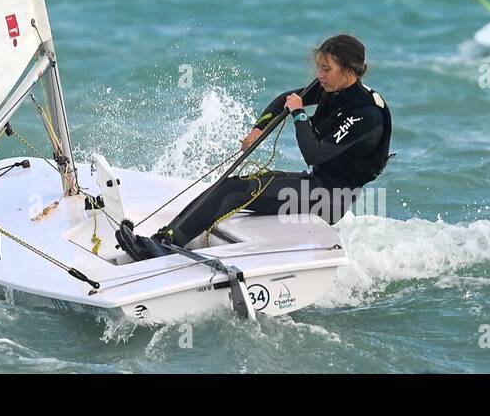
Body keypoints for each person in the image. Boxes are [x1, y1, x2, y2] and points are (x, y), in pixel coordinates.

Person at [115, 34, 392, 262]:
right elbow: (286, 98)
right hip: (317, 185)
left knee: (235, 191)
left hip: (330, 200)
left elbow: (314, 152)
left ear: (349, 71)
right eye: (318, 67)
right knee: (231, 185)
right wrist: (257, 130)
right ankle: (164, 238)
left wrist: (299, 115)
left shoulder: (366, 115)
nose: (319, 75)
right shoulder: (333, 89)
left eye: (326, 69)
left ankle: (162, 245)